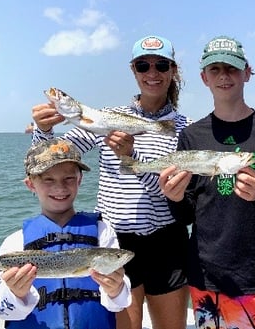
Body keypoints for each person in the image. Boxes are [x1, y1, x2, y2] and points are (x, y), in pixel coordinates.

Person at [30, 35, 192, 329]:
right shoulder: (106, 118)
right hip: (113, 241)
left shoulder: (185, 128)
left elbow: (174, 195)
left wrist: (132, 155)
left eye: (161, 65)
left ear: (173, 71)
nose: (152, 73)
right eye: (143, 65)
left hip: (168, 241)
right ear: (134, 71)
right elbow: (55, 156)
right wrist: (42, 131)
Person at [159, 36, 255, 329]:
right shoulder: (191, 136)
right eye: (215, 69)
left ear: (246, 73)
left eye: (231, 68)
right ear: (204, 77)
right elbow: (186, 215)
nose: (224, 76)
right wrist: (174, 196)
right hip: (206, 274)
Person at [0, 139, 132, 328]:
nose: (60, 187)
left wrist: (117, 289)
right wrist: (15, 293)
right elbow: (2, 309)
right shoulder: (15, 242)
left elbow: (121, 303)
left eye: (69, 178)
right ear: (30, 184)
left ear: (80, 180)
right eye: (48, 179)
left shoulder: (103, 232)